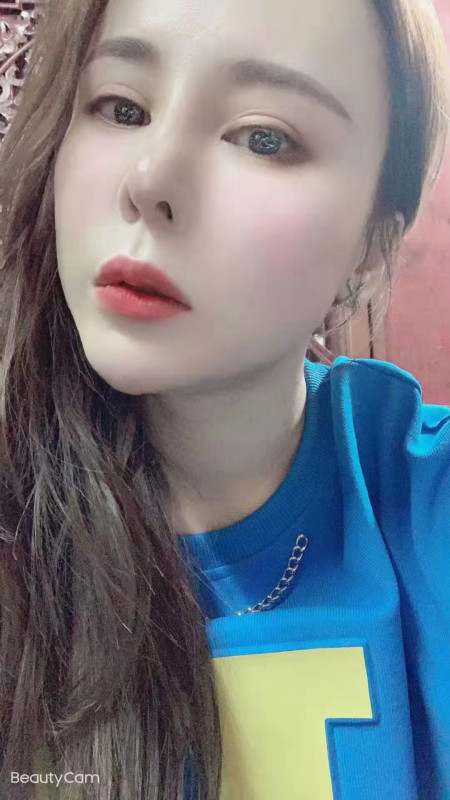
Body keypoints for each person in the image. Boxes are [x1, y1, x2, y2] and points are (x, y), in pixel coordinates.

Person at [0, 0, 449, 797]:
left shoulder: (426, 506)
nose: (149, 181)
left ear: (372, 246)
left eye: (264, 138)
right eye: (122, 108)